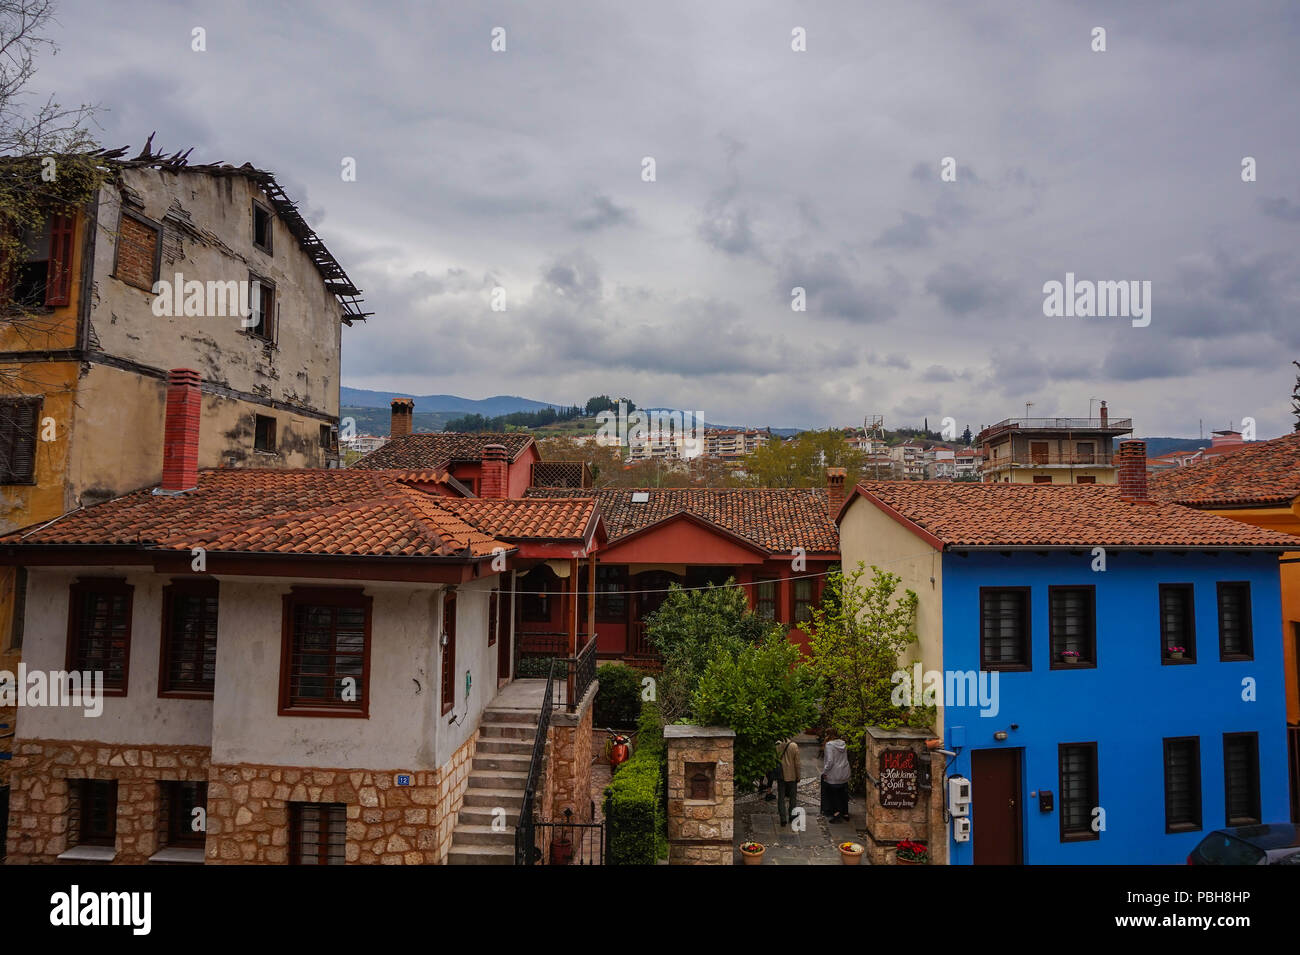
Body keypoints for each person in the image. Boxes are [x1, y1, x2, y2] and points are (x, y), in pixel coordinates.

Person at [822, 735, 851, 822]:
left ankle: (836, 812)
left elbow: (830, 761)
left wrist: (825, 771)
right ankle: (845, 813)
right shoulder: (843, 744)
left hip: (834, 773)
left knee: (833, 793)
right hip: (844, 771)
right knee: (843, 792)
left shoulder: (829, 745)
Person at [776, 737, 800, 826]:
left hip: (781, 774)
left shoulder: (777, 744)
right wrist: (798, 776)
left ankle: (783, 818)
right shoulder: (794, 746)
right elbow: (797, 763)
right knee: (793, 797)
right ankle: (792, 815)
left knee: (781, 797)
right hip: (792, 775)